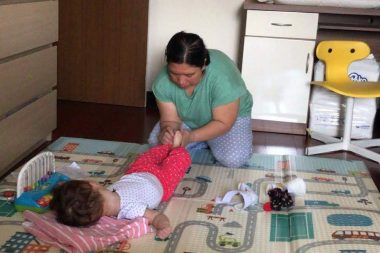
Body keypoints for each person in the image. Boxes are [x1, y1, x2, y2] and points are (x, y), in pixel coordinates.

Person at [50, 131, 191, 240]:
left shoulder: (107, 191)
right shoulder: (130, 210)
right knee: (179, 160)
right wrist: (164, 226)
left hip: (138, 172)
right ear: (92, 185)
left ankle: (167, 147)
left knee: (145, 157)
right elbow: (155, 217)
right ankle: (178, 148)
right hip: (163, 182)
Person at [148, 31, 253, 168]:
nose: (181, 81)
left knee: (234, 159)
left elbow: (223, 122)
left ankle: (203, 140)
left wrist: (191, 137)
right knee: (158, 147)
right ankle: (206, 141)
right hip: (188, 119)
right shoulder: (162, 82)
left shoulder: (223, 77)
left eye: (189, 75)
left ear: (203, 64)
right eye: (174, 73)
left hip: (226, 120)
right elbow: (170, 120)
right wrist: (167, 131)